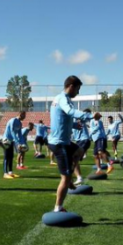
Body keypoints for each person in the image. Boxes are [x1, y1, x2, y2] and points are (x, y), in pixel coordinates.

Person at [48, 75, 93, 213]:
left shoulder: (59, 98)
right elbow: (70, 111)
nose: (78, 92)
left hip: (64, 142)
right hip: (59, 143)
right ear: (71, 86)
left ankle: (70, 177)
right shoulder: (63, 99)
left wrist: (73, 125)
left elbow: (60, 118)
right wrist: (89, 116)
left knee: (79, 151)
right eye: (78, 89)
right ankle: (58, 208)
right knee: (65, 178)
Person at [2, 111, 26, 179]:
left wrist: (22, 143)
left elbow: (20, 134)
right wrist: (17, 142)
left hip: (12, 141)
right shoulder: (13, 120)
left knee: (11, 156)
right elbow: (12, 131)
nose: (24, 117)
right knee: (6, 157)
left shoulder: (20, 123)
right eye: (24, 115)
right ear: (19, 114)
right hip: (6, 140)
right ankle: (5, 173)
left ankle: (10, 172)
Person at [72, 112, 91, 185]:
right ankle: (79, 178)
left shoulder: (81, 120)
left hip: (84, 140)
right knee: (73, 159)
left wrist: (92, 115)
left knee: (74, 158)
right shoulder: (71, 121)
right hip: (78, 141)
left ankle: (79, 178)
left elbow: (87, 116)